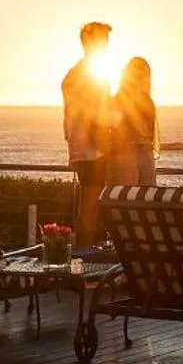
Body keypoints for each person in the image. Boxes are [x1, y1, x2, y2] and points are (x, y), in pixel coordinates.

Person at [60, 21, 114, 245]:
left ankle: (86, 255)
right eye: (104, 40)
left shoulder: (75, 74)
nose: (107, 45)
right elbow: (95, 115)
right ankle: (85, 259)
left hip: (81, 147)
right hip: (92, 150)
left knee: (88, 207)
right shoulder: (88, 75)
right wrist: (105, 145)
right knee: (91, 208)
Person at [108, 57, 158, 187]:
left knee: (124, 198)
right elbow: (151, 134)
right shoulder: (148, 102)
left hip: (125, 155)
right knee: (146, 198)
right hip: (145, 155)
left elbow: (111, 129)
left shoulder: (118, 100)